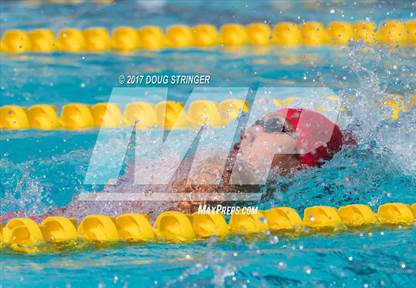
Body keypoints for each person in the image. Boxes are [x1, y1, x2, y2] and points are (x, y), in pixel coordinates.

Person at [1, 108, 346, 221]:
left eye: (274, 127)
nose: (252, 130)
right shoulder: (222, 174)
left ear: (302, 162)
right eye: (257, 121)